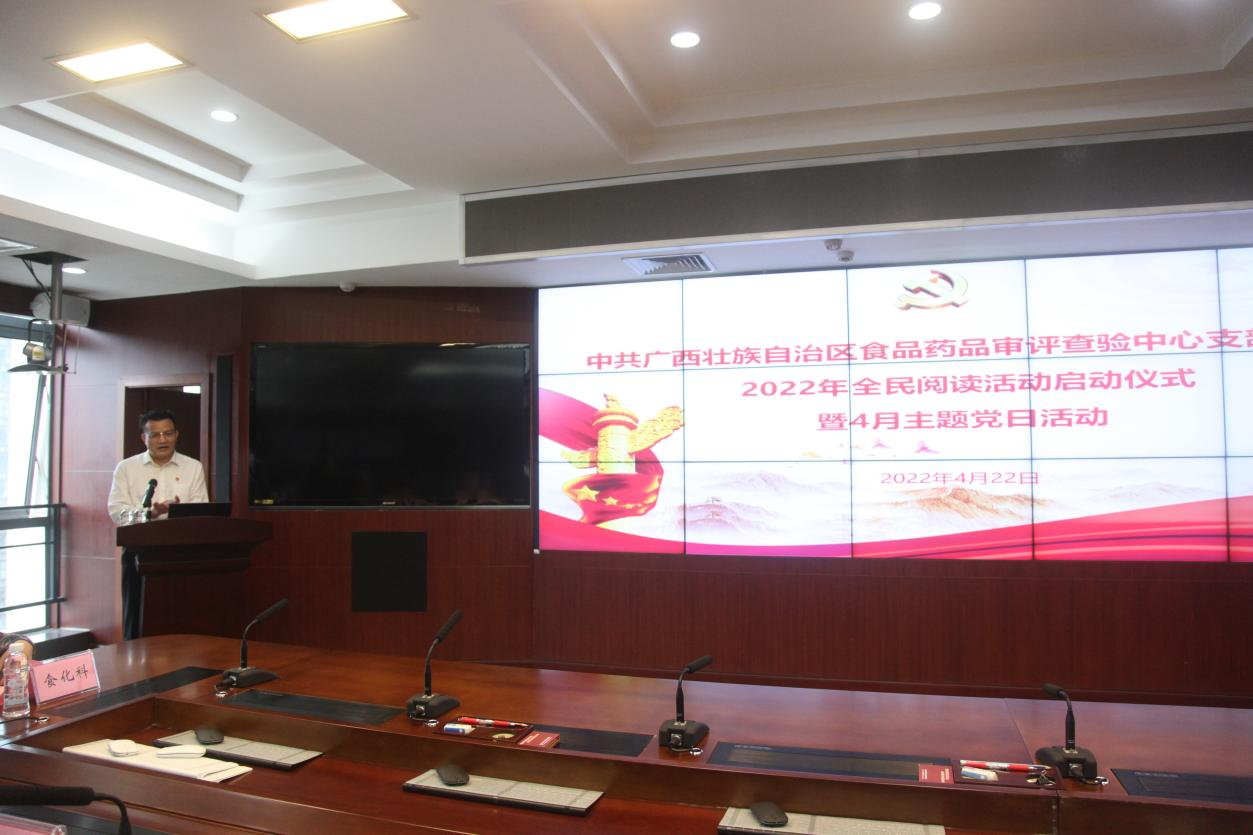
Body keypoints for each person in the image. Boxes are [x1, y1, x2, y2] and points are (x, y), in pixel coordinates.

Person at [107, 409, 208, 640]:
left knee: (182, 615)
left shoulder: (193, 467)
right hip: (139, 551)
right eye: (155, 435)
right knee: (137, 615)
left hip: (182, 551)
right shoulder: (126, 468)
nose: (163, 440)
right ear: (144, 438)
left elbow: (201, 507)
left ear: (176, 435)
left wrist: (179, 512)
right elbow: (116, 511)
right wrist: (150, 513)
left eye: (168, 433)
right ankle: (135, 658)